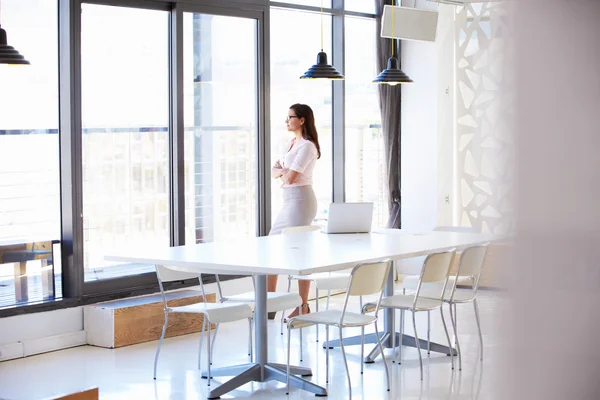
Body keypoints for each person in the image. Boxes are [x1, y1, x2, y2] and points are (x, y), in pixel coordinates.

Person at [268, 103, 320, 320]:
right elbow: (275, 172)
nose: (287, 120)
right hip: (288, 200)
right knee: (270, 250)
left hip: (300, 200)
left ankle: (303, 305)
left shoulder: (307, 146)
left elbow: (290, 177)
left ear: (302, 120)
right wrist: (282, 171)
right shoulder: (292, 143)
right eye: (287, 117)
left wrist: (281, 171)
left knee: (299, 253)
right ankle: (269, 304)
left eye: (290, 117)